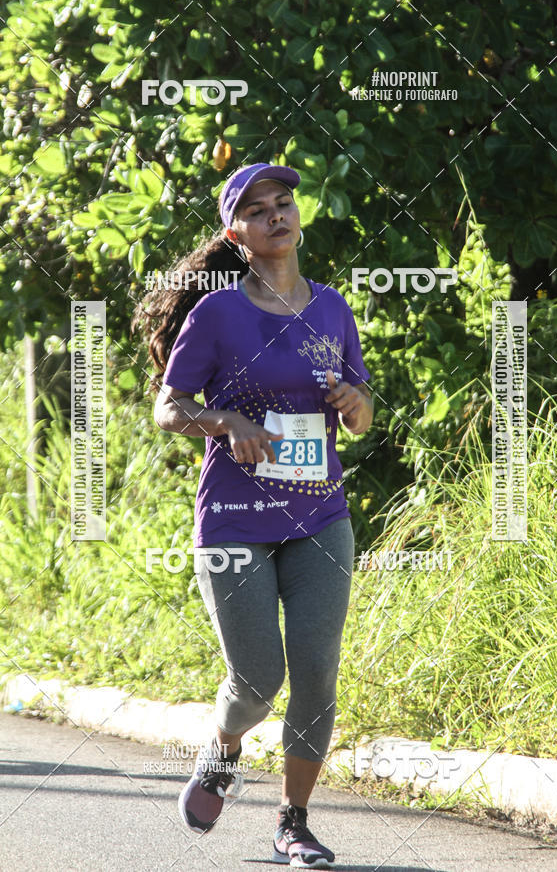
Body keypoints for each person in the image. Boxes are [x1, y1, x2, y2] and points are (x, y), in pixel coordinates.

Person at [134, 162, 373, 869]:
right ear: (235, 234)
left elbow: (362, 406)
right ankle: (224, 748)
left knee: (318, 674)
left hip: (319, 518)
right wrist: (223, 419)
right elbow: (166, 406)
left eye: (285, 203)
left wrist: (359, 406)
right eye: (258, 208)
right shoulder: (217, 314)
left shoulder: (330, 307)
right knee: (258, 681)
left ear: (299, 217)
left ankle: (293, 823)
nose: (277, 215)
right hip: (236, 520)